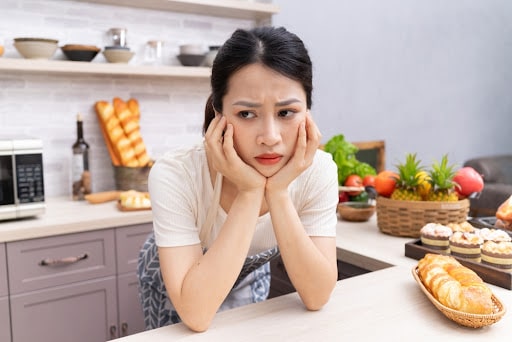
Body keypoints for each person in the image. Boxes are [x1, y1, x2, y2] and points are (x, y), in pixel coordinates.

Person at [138, 26, 339, 333]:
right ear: (219, 113)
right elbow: (195, 313)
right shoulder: (175, 174)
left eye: (286, 112)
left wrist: (280, 192)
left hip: (249, 275)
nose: (270, 138)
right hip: (178, 285)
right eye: (247, 114)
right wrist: (249, 191)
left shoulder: (318, 171)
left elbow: (317, 295)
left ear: (307, 112)